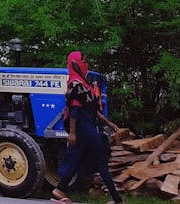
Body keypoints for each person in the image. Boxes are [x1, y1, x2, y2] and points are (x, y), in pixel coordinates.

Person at [50, 51, 124, 204]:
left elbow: (93, 110)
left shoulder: (84, 84)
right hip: (84, 129)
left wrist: (108, 123)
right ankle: (117, 200)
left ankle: (59, 189)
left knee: (75, 159)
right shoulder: (75, 85)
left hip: (86, 128)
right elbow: (74, 110)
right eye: (83, 61)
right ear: (75, 64)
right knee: (101, 161)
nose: (86, 64)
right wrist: (72, 133)